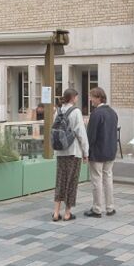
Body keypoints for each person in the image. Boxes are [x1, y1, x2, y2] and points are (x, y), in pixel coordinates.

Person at [51, 88, 89, 222]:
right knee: (71, 181)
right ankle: (67, 213)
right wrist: (86, 152)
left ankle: (56, 212)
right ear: (73, 98)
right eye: (77, 97)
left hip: (60, 152)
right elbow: (81, 133)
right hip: (74, 152)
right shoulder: (76, 111)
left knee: (60, 180)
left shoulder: (58, 111)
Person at [84, 87, 118, 218]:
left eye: (92, 96)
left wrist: (86, 152)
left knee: (97, 180)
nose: (90, 99)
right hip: (110, 151)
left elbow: (91, 136)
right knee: (108, 179)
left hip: (98, 152)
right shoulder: (113, 112)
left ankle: (97, 209)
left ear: (99, 98)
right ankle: (110, 208)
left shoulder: (96, 114)